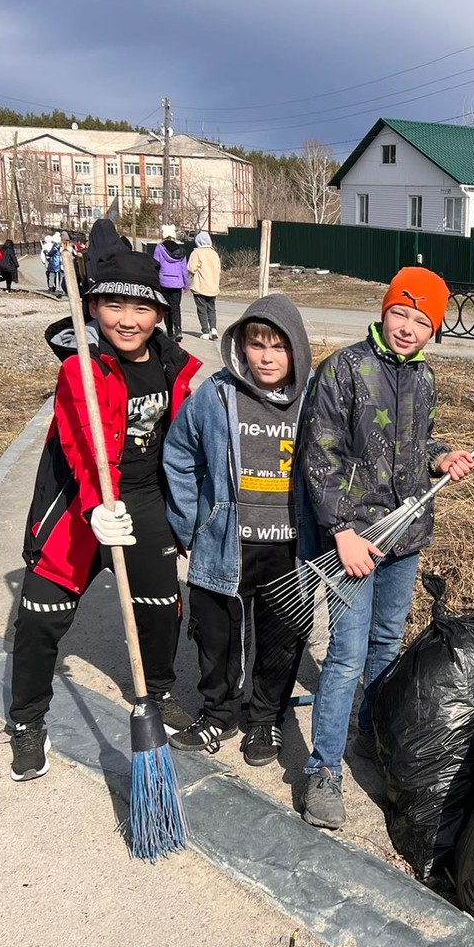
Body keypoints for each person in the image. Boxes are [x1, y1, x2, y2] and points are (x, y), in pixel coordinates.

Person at [7, 242, 203, 782]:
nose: (127, 319)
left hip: (145, 502)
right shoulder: (82, 368)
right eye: (114, 305)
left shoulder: (173, 366)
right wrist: (96, 507)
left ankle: (157, 690)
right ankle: (27, 720)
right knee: (40, 617)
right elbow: (79, 444)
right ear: (93, 307)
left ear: (159, 313)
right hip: (79, 503)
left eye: (142, 307)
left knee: (161, 605)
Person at [296, 266, 474, 829]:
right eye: (400, 313)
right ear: (383, 310)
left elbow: (416, 444)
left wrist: (441, 458)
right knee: (346, 655)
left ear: (433, 330)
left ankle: (368, 734)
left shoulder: (424, 378)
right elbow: (319, 455)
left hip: (406, 534)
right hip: (354, 538)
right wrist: (341, 532)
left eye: (421, 321)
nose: (407, 328)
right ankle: (323, 769)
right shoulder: (344, 369)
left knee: (386, 645)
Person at [162, 294, 312, 761]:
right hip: (226, 542)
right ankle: (218, 713)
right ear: (241, 345)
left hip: (290, 548)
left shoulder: (314, 400)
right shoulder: (217, 394)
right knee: (217, 636)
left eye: (279, 347)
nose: (267, 357)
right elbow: (179, 454)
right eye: (257, 345)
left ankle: (265, 720)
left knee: (282, 637)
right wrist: (191, 522)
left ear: (298, 350)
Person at [153, 237, 190, 342]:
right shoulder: (181, 252)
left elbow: (155, 265)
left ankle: (169, 331)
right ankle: (178, 329)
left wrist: (154, 282)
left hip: (163, 282)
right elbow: (184, 270)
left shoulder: (159, 248)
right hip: (177, 283)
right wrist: (186, 285)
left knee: (166, 308)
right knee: (176, 307)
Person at [187, 231, 221, 340]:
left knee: (202, 310)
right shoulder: (214, 254)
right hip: (213, 286)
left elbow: (191, 268)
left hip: (200, 286)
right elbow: (219, 270)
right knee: (211, 309)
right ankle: (213, 328)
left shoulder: (197, 253)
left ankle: (205, 331)